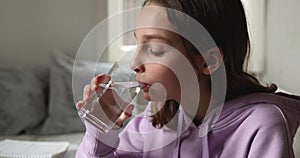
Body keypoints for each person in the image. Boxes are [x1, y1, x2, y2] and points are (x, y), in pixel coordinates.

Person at [76, 0, 300, 157]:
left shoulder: (262, 124)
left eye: (154, 49)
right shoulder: (153, 123)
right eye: (137, 44)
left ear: (207, 60)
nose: (134, 64)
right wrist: (101, 133)